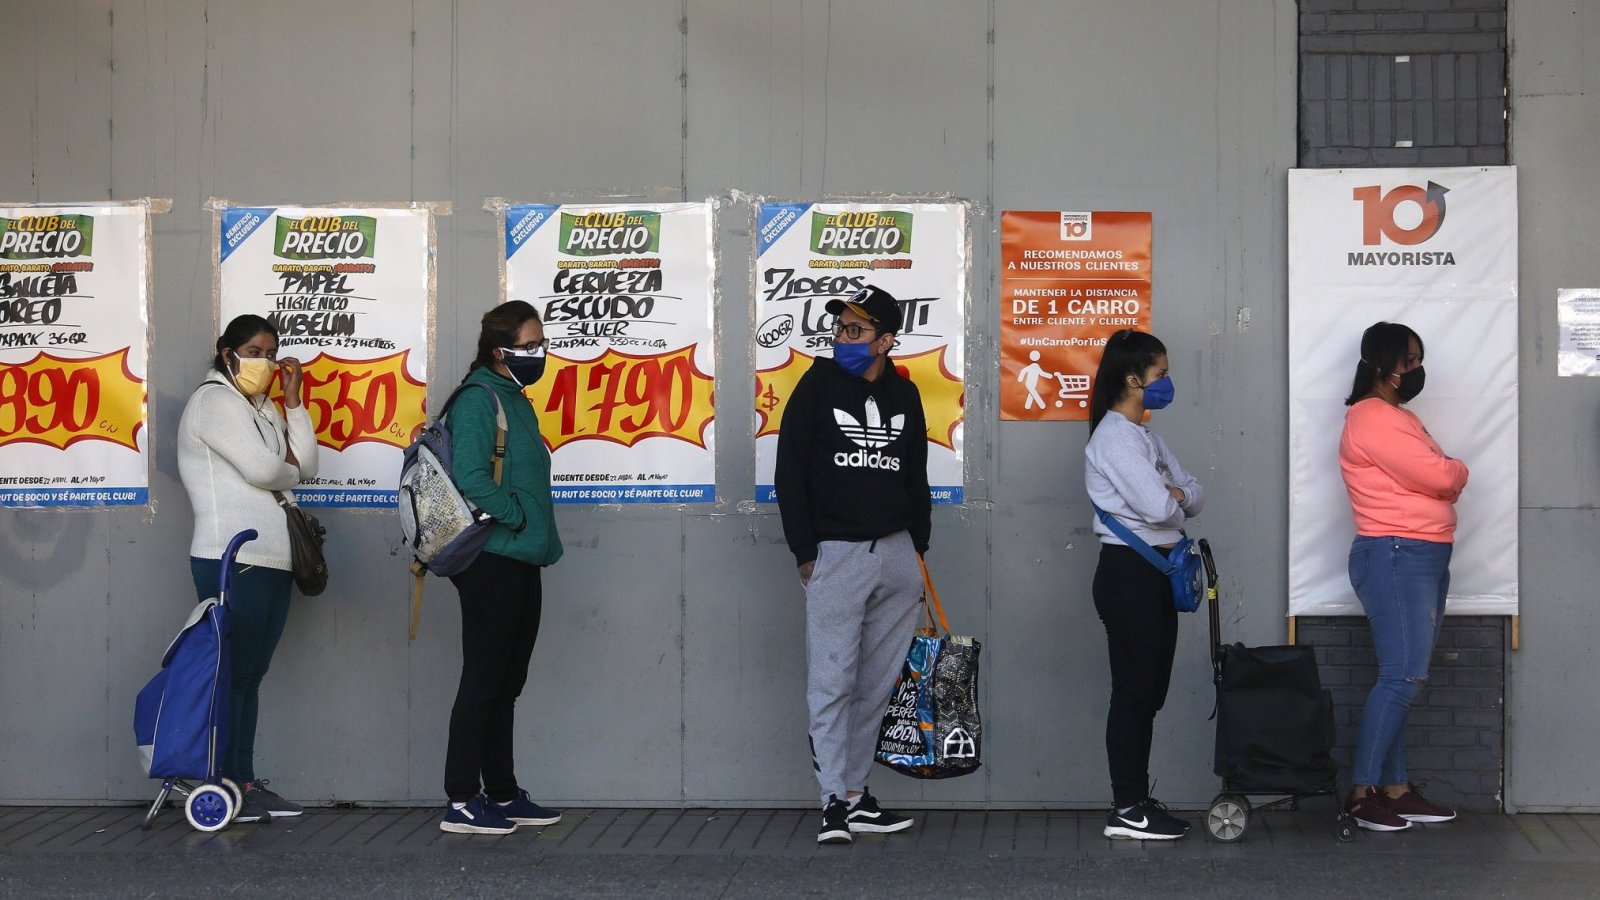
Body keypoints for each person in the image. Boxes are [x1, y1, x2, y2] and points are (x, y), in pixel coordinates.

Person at [775, 285, 931, 845]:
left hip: (895, 554)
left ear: (887, 340)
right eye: (841, 329)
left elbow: (916, 475)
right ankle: (831, 803)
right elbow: (789, 473)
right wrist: (806, 552)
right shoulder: (815, 386)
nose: (844, 337)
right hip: (836, 555)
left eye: (857, 330)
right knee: (832, 682)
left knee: (877, 685)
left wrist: (918, 547)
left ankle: (856, 795)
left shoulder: (905, 395)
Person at [177, 314, 319, 823]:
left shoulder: (260, 407)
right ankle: (220, 781)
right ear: (226, 351)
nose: (265, 361)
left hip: (275, 560)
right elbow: (268, 469)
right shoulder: (213, 402)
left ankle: (243, 781)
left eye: (271, 352)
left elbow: (309, 464)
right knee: (232, 674)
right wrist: (287, 470)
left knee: (250, 677)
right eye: (254, 351)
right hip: (233, 557)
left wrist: (294, 403)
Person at [437, 300, 565, 835]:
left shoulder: (515, 397)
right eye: (529, 345)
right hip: (493, 557)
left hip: (523, 554)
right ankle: (462, 798)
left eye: (541, 344)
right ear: (500, 350)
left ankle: (504, 792)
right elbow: (470, 476)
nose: (539, 353)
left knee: (507, 681)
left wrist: (527, 527)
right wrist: (514, 516)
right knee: (484, 678)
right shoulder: (478, 401)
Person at [1339, 322, 1467, 832]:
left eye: (1418, 359)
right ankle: (1361, 793)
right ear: (1385, 364)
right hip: (1396, 555)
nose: (1416, 369)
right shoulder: (1372, 417)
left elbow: (1435, 477)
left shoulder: (1399, 417)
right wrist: (1452, 470)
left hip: (1422, 554)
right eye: (1409, 360)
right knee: (1402, 676)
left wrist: (1443, 474)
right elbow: (1442, 475)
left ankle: (1394, 789)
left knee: (1404, 677)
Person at [1083, 329, 1203, 840]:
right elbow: (1161, 507)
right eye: (1161, 373)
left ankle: (1135, 799)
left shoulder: (1148, 437)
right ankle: (1126, 807)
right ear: (1133, 379)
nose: (1167, 382)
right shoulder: (1113, 436)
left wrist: (1173, 493)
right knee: (1134, 693)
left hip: (1159, 573)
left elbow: (1194, 495)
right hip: (1129, 576)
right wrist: (1172, 495)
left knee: (1150, 693)